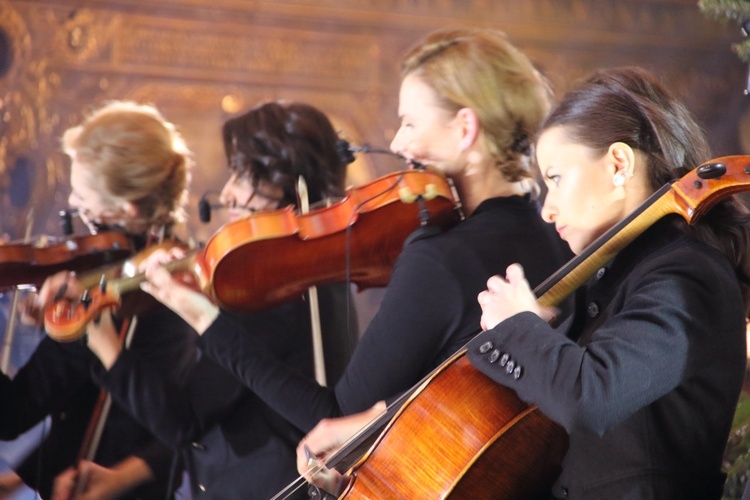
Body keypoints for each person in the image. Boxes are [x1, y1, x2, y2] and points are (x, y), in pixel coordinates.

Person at [139, 26, 572, 492]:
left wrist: (204, 318)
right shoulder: (558, 236)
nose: (400, 144)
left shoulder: (441, 259)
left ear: (465, 128)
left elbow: (334, 419)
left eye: (409, 123)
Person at [468, 66, 750, 499]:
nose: (547, 209)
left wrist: (520, 327)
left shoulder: (688, 276)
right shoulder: (612, 276)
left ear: (619, 164)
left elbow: (591, 396)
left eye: (556, 179)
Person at [82, 100, 360, 499]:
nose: (227, 194)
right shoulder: (314, 277)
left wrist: (110, 351)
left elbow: (183, 421)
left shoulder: (272, 291)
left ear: (285, 183)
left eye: (243, 176)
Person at [0, 100, 194, 499]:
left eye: (82, 191)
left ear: (126, 209)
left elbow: (9, 414)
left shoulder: (112, 295)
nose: (72, 202)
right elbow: (83, 407)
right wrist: (21, 478)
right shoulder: (182, 267)